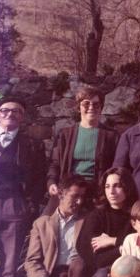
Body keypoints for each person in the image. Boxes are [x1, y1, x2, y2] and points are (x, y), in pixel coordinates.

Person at [0, 97, 46, 277]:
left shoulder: (31, 145)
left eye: (16, 111)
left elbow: (39, 178)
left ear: (22, 117)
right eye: (5, 110)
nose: (10, 114)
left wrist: (29, 205)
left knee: (9, 265)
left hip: (15, 204)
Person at [7, 176, 89, 277]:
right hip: (50, 275)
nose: (79, 201)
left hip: (75, 276)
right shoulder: (42, 223)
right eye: (74, 196)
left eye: (82, 197)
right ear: (61, 194)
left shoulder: (88, 220)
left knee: (78, 270)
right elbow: (32, 260)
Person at [76, 167, 138, 277]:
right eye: (107, 186)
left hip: (129, 264)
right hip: (100, 264)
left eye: (117, 186)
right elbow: (88, 251)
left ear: (127, 187)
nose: (112, 191)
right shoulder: (96, 215)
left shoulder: (136, 213)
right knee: (95, 274)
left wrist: (113, 241)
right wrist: (121, 248)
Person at [46, 86, 118, 214]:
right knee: (46, 221)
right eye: (86, 104)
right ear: (79, 107)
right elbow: (55, 163)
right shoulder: (65, 134)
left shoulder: (111, 136)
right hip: (69, 189)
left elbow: (116, 167)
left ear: (101, 107)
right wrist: (51, 182)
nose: (91, 107)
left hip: (97, 192)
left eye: (96, 104)